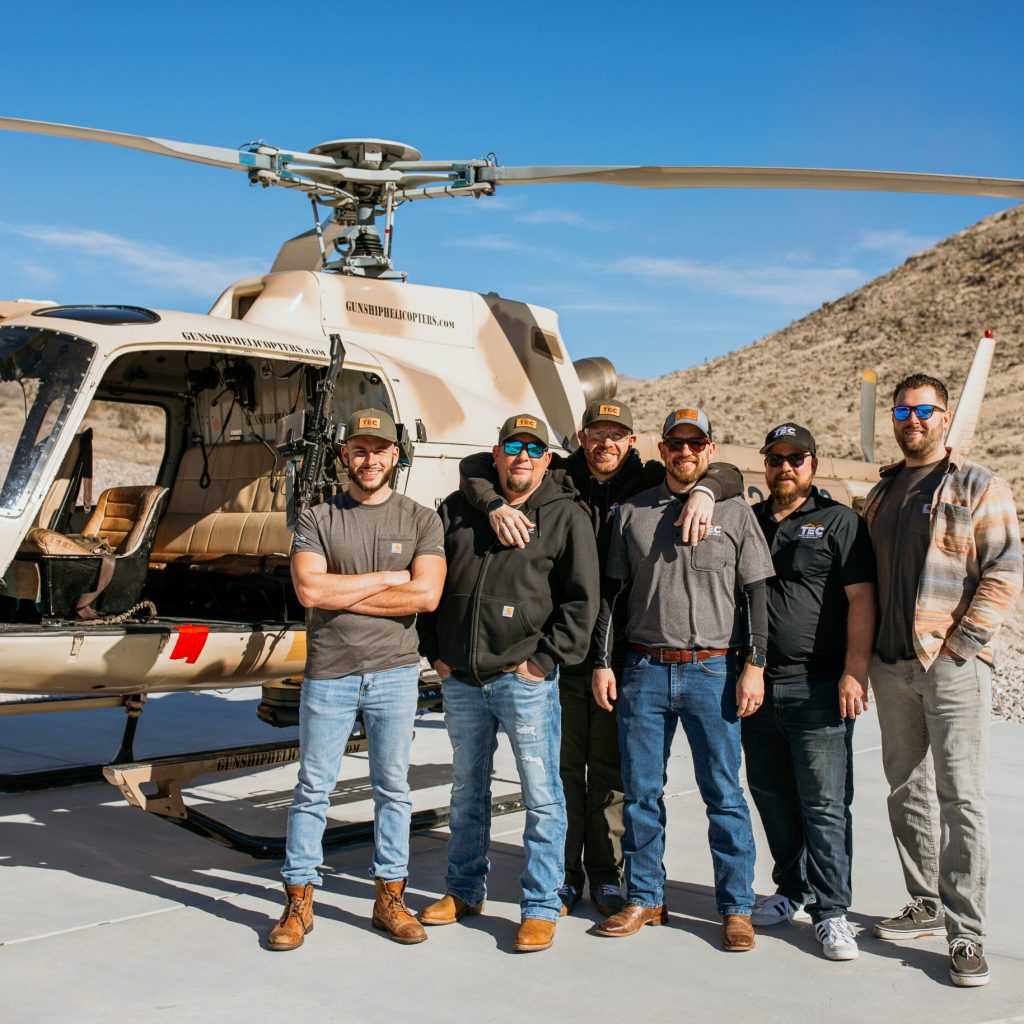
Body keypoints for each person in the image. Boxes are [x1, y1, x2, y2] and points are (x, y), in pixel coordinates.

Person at [458, 399, 743, 918]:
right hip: (558, 646)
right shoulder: (559, 474)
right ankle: (565, 875)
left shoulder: (650, 478)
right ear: (580, 437)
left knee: (612, 771)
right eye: (596, 433)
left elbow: (725, 472)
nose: (605, 443)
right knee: (563, 768)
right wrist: (493, 505)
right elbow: (476, 466)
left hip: (619, 650)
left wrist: (704, 490)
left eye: (617, 435)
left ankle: (608, 876)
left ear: (632, 442)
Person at [592, 406, 774, 951]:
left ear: (710, 451)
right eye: (677, 444)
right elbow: (612, 598)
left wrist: (754, 667)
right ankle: (645, 897)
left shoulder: (737, 513)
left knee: (723, 794)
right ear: (662, 448)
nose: (686, 453)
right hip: (644, 670)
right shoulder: (633, 513)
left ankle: (736, 907)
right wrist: (604, 661)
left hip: (712, 672)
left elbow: (756, 595)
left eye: (696, 445)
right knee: (642, 793)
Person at [418, 413, 599, 953]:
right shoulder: (459, 510)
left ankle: (541, 904)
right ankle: (463, 889)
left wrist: (545, 662)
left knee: (542, 796)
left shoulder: (566, 516)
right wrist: (437, 652)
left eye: (533, 449)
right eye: (513, 446)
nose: (522, 456)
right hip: (462, 680)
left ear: (547, 459)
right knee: (466, 790)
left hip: (524, 680)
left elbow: (582, 601)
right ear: (496, 455)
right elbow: (427, 578)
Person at [267, 409, 446, 951]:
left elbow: (427, 596)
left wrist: (346, 588)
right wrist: (390, 579)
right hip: (330, 672)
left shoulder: (421, 519)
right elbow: (310, 593)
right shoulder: (317, 517)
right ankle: (298, 901)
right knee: (312, 788)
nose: (370, 460)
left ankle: (390, 897)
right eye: (360, 450)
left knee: (393, 789)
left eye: (380, 450)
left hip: (394, 673)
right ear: (346, 455)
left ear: (396, 456)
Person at [865, 373, 1022, 988]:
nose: (913, 420)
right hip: (891, 665)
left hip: (948, 665)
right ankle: (925, 903)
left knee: (962, 799)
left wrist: (963, 646)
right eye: (903, 411)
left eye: (924, 410)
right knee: (906, 789)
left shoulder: (978, 484)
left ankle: (967, 934)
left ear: (944, 414)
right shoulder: (882, 493)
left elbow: (1005, 571)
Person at [741, 422, 876, 960]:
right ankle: (790, 889)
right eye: (776, 458)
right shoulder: (750, 522)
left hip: (819, 685)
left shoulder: (840, 522)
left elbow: (862, 599)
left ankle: (832, 911)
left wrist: (854, 671)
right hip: (757, 686)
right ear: (766, 465)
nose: (786, 467)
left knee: (824, 803)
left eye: (797, 458)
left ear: (813, 465)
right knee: (771, 795)